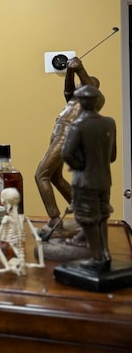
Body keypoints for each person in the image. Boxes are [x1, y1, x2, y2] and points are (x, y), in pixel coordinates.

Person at [35, 57, 104, 237]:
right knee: (55, 177)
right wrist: (70, 72)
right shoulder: (74, 99)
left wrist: (81, 69)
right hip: (57, 132)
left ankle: (54, 219)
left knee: (41, 174)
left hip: (67, 133)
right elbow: (67, 89)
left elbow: (89, 87)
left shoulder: (95, 100)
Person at [61, 84, 116, 271]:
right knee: (102, 217)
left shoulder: (78, 125)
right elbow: (112, 156)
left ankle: (97, 258)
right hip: (104, 180)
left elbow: (67, 153)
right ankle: (105, 254)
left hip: (85, 181)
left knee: (87, 219)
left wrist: (80, 166)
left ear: (81, 102)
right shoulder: (109, 123)